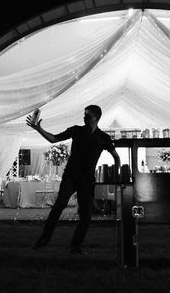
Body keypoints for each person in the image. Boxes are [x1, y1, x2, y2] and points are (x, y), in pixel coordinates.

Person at [27, 105, 120, 254]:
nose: (84, 117)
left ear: (96, 117)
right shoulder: (76, 130)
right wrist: (38, 129)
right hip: (71, 175)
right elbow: (54, 139)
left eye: (87, 115)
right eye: (84, 115)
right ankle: (43, 240)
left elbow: (116, 156)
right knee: (59, 206)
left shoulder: (103, 137)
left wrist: (117, 171)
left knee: (86, 215)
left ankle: (76, 247)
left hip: (87, 180)